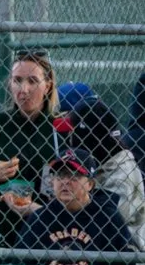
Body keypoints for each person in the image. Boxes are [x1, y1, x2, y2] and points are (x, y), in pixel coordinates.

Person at [0, 51, 64, 249]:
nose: (23, 89)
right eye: (17, 80)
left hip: (49, 228)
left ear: (48, 85)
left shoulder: (60, 128)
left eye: (33, 81)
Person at [17, 149, 138, 265]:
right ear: (52, 181)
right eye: (60, 175)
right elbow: (18, 264)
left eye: (74, 175)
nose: (65, 181)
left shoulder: (107, 218)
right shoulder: (39, 218)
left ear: (90, 184)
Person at [57, 96, 145, 249]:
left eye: (72, 133)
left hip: (122, 258)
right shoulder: (103, 163)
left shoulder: (122, 175)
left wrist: (41, 209)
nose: (68, 138)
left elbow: (100, 223)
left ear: (87, 139)